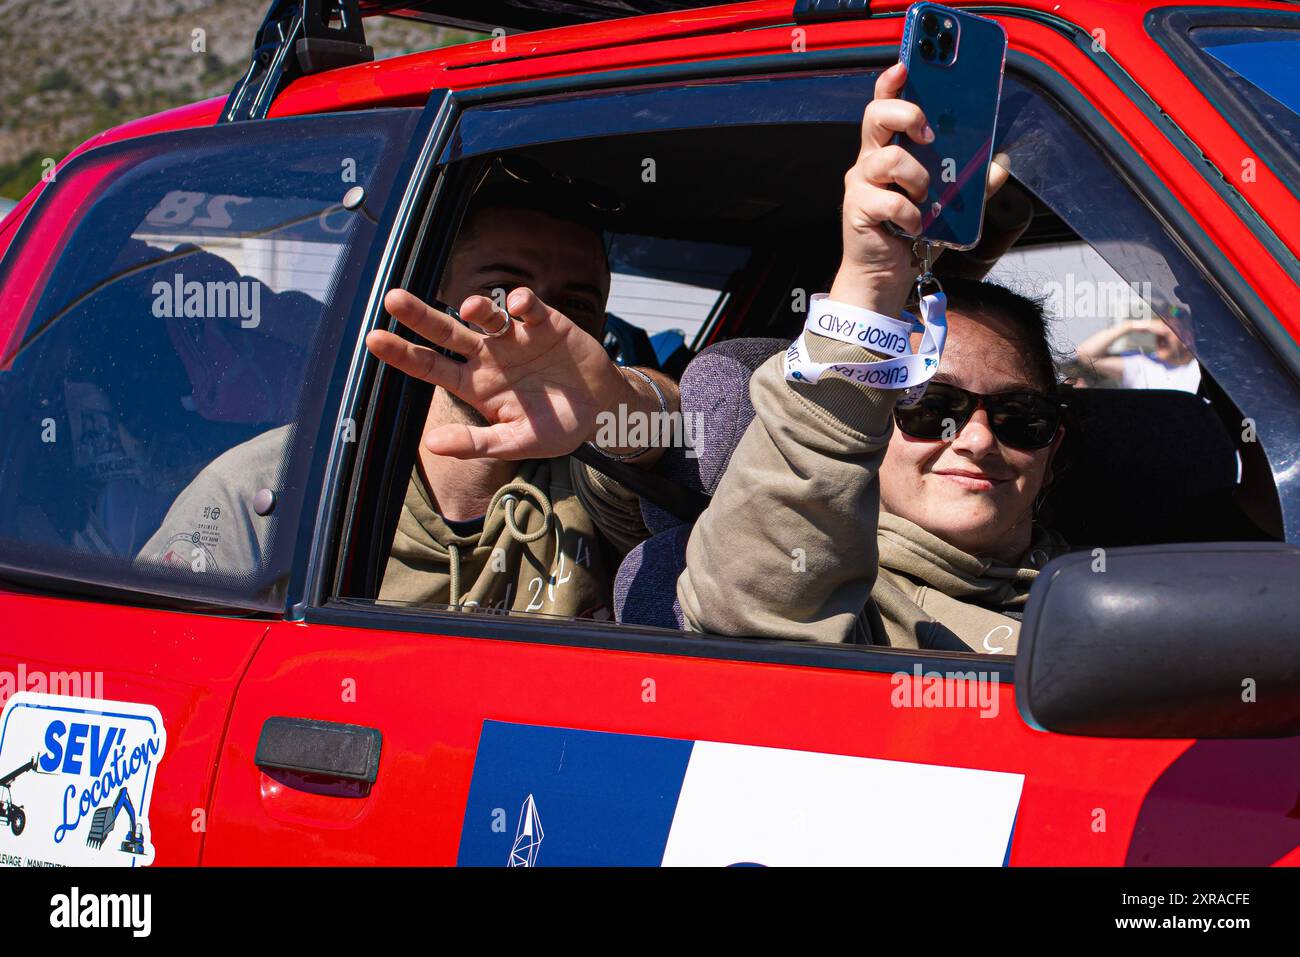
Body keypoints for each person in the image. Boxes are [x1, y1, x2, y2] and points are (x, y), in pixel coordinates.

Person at [140, 176, 681, 621]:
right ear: (430, 300)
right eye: (498, 290)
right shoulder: (270, 489)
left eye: (575, 306)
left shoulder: (603, 476)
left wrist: (620, 400)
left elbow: (691, 442)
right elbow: (157, 670)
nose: (532, 322)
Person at [674, 62, 1070, 654]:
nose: (979, 441)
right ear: (867, 425)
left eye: (1020, 417)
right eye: (932, 405)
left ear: (1053, 449)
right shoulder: (834, 610)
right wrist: (869, 284)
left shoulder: (1114, 596)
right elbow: (755, 607)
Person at [1074, 316, 1200, 393]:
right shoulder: (1143, 363)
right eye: (1158, 333)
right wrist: (1130, 326)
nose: (1159, 339)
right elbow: (1085, 354)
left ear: (1187, 339)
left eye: (1166, 335)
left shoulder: (1199, 369)